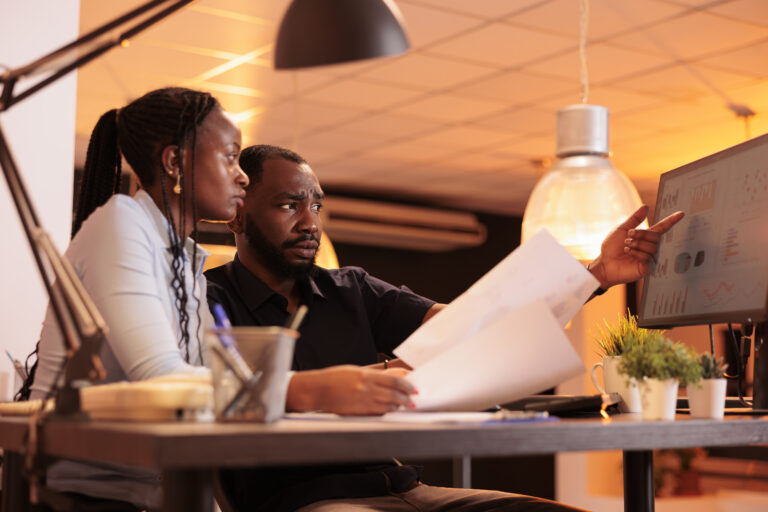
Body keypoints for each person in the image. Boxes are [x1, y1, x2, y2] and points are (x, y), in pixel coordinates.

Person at [205, 144, 685, 512]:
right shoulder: (208, 300)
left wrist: (597, 274)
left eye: (317, 206)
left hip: (402, 486)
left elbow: (470, 323)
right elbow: (207, 399)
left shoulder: (350, 288)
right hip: (303, 500)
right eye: (290, 205)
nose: (311, 222)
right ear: (238, 213)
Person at [27, 87, 249, 510]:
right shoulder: (121, 225)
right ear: (173, 162)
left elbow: (216, 384)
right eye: (230, 156)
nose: (243, 175)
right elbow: (162, 379)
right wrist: (301, 391)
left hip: (154, 491)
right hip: (84, 495)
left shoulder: (184, 262)